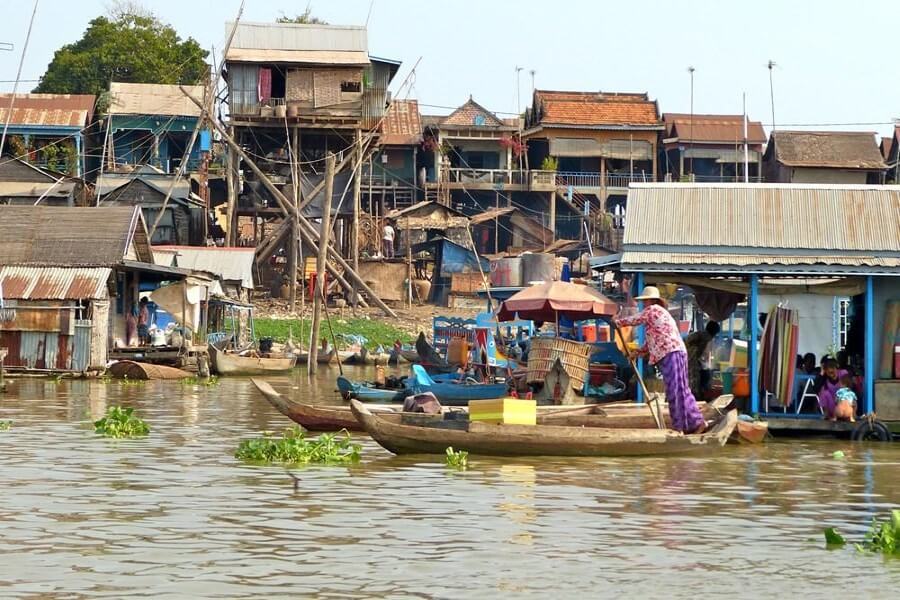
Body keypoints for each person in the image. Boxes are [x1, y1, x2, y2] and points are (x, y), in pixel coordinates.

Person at [615, 286, 706, 434]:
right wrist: (636, 353)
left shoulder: (653, 310)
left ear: (651, 300)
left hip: (671, 353)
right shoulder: (658, 315)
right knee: (681, 390)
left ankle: (680, 427)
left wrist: (617, 322)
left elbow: (634, 319)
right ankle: (695, 422)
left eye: (644, 301)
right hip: (675, 352)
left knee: (674, 391)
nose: (643, 304)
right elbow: (650, 343)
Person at [685, 321, 720, 401]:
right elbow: (702, 354)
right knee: (695, 380)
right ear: (714, 332)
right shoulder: (707, 337)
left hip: (686, 357)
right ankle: (696, 398)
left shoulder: (700, 333)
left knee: (690, 379)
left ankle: (692, 397)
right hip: (692, 360)